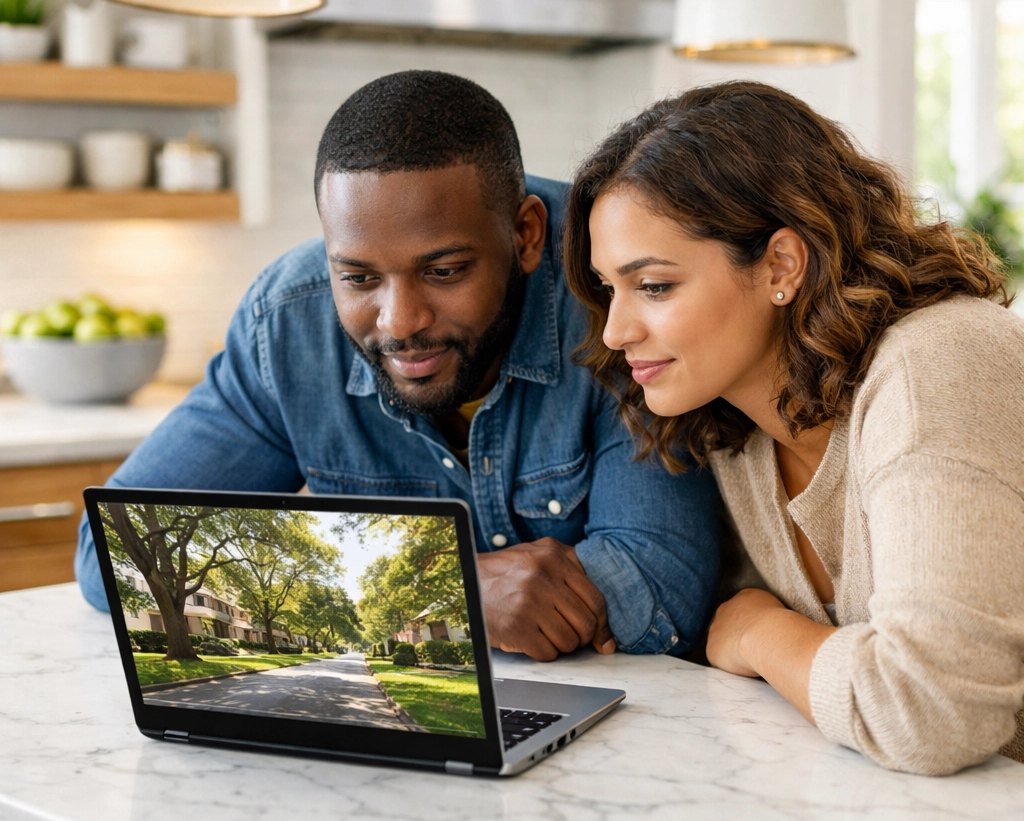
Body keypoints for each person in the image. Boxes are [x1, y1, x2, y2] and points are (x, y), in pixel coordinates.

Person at [75, 70, 722, 662]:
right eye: (358, 277)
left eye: (443, 272)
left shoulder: (615, 297)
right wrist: (448, 596)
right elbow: (116, 554)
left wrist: (315, 594)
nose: (398, 321)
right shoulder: (288, 322)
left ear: (525, 235)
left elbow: (660, 588)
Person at [564, 80, 1024, 774]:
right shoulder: (737, 425)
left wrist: (758, 630)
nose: (620, 329)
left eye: (654, 286)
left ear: (781, 264)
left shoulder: (941, 362)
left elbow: (930, 711)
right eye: (608, 289)